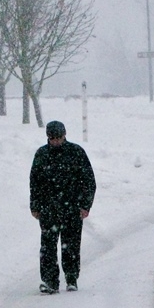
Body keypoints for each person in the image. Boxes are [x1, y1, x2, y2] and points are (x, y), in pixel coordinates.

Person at [29, 120, 96, 294]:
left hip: (72, 208)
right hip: (48, 209)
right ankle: (50, 281)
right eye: (53, 138)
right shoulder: (41, 155)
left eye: (59, 138)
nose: (56, 141)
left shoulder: (76, 153)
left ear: (65, 135)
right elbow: (35, 182)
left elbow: (89, 181)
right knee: (48, 246)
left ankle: (71, 277)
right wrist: (35, 206)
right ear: (48, 138)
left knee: (71, 245)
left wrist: (85, 205)